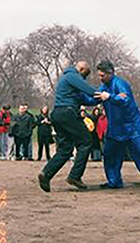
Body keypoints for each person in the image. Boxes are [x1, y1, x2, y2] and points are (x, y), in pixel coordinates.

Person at [93, 60, 140, 191]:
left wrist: (109, 97)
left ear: (110, 73)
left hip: (132, 126)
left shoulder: (120, 84)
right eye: (99, 75)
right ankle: (114, 181)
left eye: (102, 75)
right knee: (110, 154)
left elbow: (125, 100)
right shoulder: (103, 87)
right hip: (115, 128)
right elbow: (93, 98)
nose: (100, 78)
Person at [38, 61, 97, 192]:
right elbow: (89, 91)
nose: (84, 79)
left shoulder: (69, 84)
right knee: (86, 141)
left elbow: (88, 100)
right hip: (68, 113)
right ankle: (75, 176)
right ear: (81, 69)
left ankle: (46, 174)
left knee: (65, 149)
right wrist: (105, 93)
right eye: (84, 76)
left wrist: (102, 98)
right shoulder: (72, 76)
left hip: (58, 114)